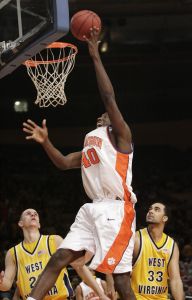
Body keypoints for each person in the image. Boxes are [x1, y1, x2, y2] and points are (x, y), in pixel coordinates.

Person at [23, 27, 137, 300]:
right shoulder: (91, 142)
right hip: (92, 207)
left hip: (116, 208)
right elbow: (63, 163)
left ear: (115, 120)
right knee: (60, 257)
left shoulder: (121, 138)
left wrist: (95, 56)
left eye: (107, 116)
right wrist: (45, 142)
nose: (102, 117)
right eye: (100, 116)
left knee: (120, 280)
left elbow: (108, 98)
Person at [0, 208, 108, 300]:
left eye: (35, 214)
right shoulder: (12, 253)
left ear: (39, 224)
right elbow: (7, 284)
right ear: (20, 223)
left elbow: (79, 267)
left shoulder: (54, 241)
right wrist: (1, 284)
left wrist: (101, 294)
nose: (33, 214)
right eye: (28, 213)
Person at [131, 202, 185, 300]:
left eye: (156, 209)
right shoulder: (136, 239)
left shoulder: (171, 245)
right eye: (150, 209)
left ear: (165, 218)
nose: (151, 211)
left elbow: (175, 280)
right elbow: (119, 271)